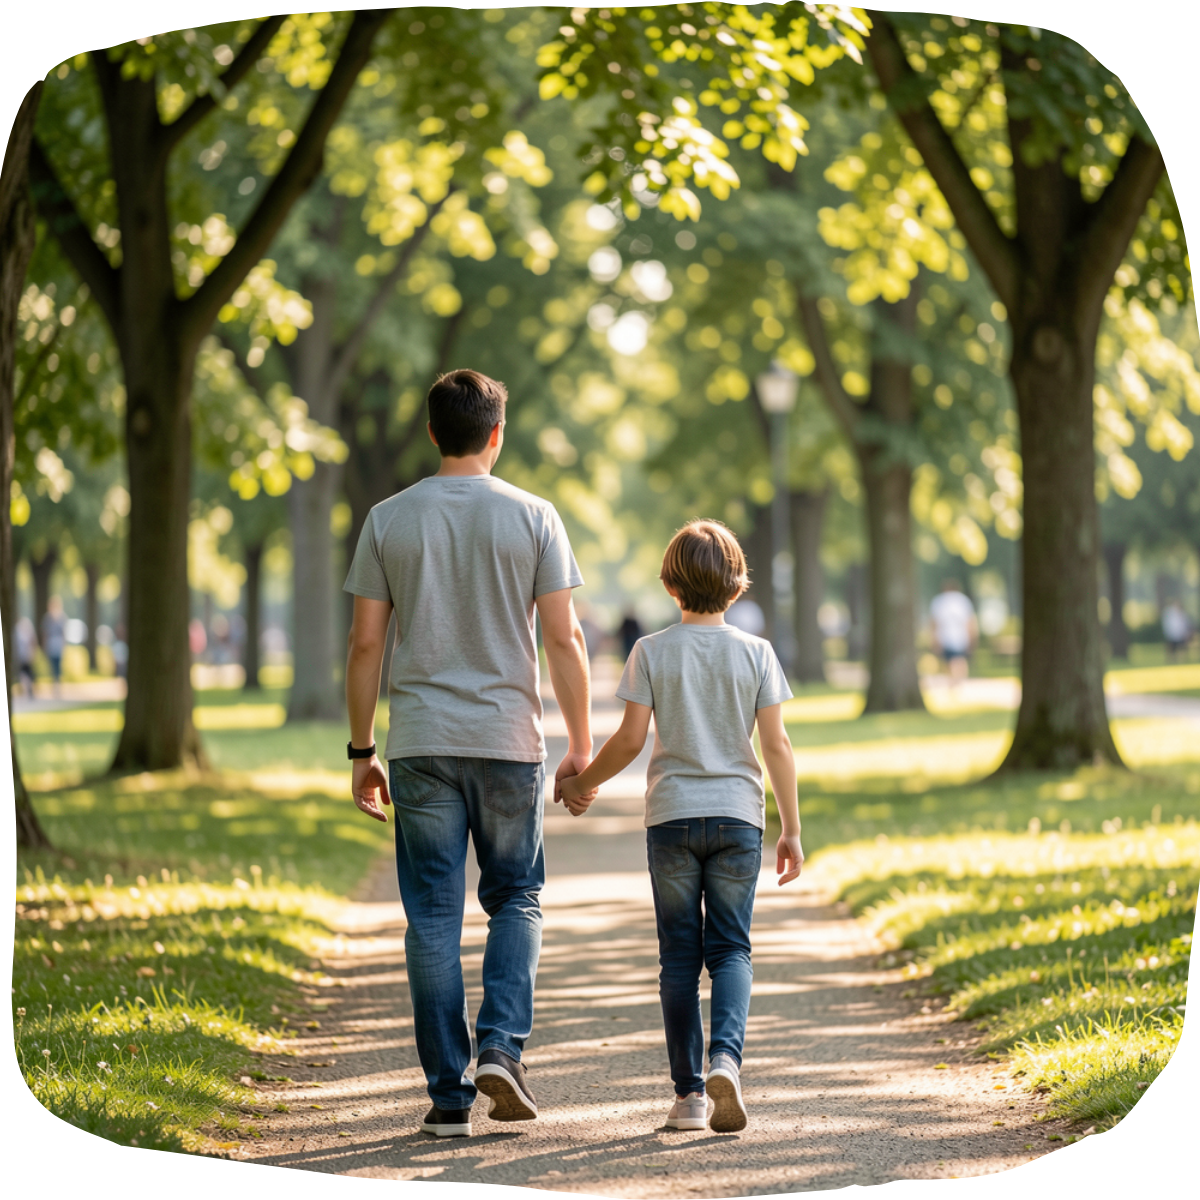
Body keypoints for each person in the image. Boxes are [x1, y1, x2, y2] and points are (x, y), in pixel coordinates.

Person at [342, 369, 594, 1140]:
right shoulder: (535, 515)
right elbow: (564, 637)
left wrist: (361, 751)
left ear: (430, 434)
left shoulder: (388, 518)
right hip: (509, 742)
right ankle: (501, 1049)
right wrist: (582, 745)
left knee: (431, 918)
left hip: (420, 745)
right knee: (516, 895)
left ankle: (449, 1095)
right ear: (496, 434)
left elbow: (364, 645)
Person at [561, 519, 803, 1134]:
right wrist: (791, 829)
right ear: (736, 585)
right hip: (738, 821)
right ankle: (727, 1059)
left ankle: (690, 1096)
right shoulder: (757, 653)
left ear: (670, 585)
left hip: (671, 820)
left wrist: (580, 782)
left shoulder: (652, 651)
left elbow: (631, 740)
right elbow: (776, 746)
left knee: (678, 959)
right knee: (731, 950)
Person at [929, 578, 978, 684]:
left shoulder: (939, 601)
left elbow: (934, 623)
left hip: (946, 637)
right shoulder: (963, 601)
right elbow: (970, 622)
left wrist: (934, 639)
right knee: (958, 661)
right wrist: (972, 638)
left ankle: (955, 682)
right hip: (959, 637)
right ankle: (958, 682)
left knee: (951, 661)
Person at [41, 596, 66, 692]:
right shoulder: (47, 618)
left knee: (58, 666)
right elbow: (45, 634)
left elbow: (63, 633)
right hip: (51, 643)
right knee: (52, 665)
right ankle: (54, 685)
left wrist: (64, 645)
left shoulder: (62, 617)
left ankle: (58, 685)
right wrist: (45, 645)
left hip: (58, 643)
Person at [14, 616, 37, 697]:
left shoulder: (23, 630)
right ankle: (26, 690)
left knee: (27, 672)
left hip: (26, 655)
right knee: (24, 672)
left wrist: (32, 653)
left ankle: (29, 690)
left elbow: (32, 642)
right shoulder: (18, 630)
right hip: (22, 655)